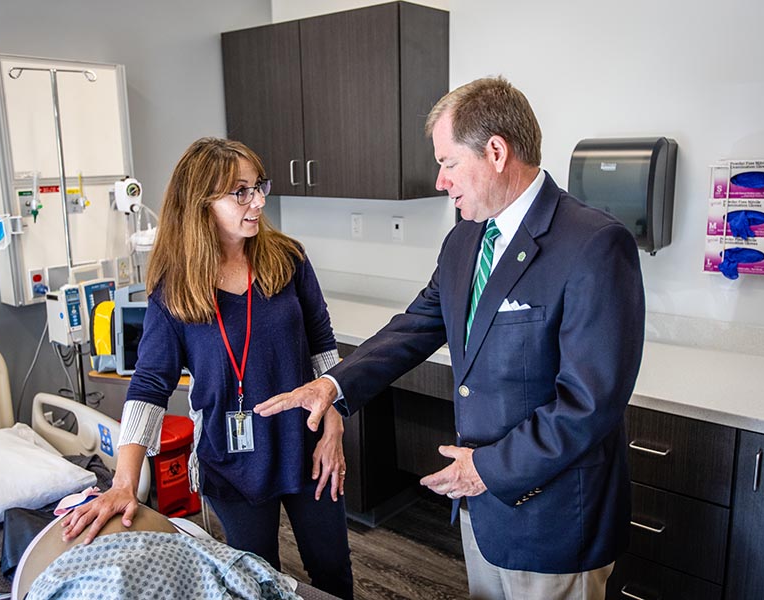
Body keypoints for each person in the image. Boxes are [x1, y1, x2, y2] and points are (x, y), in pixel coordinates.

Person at [256, 77, 646, 600]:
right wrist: (334, 386)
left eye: (448, 163)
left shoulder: (593, 245)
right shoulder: (466, 238)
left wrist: (484, 469)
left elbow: (589, 404)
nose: (440, 181)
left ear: (496, 151)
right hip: (481, 508)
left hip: (553, 520)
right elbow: (417, 325)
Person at [61, 137, 354, 600]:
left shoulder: (288, 258)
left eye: (259, 187)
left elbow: (321, 343)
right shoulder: (175, 288)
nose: (258, 201)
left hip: (308, 442)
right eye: (241, 192)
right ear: (201, 202)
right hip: (233, 460)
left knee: (333, 571)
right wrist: (124, 482)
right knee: (255, 582)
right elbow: (151, 383)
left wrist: (335, 424)